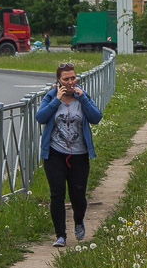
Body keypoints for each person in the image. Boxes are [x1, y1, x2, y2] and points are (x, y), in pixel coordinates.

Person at [35, 62, 103, 247]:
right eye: (66, 79)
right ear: (58, 80)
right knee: (57, 195)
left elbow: (96, 118)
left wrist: (84, 100)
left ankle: (79, 221)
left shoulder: (82, 96)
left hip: (79, 155)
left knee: (78, 195)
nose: (71, 82)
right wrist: (56, 100)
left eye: (73, 78)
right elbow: (40, 117)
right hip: (55, 154)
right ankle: (60, 235)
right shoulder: (51, 97)